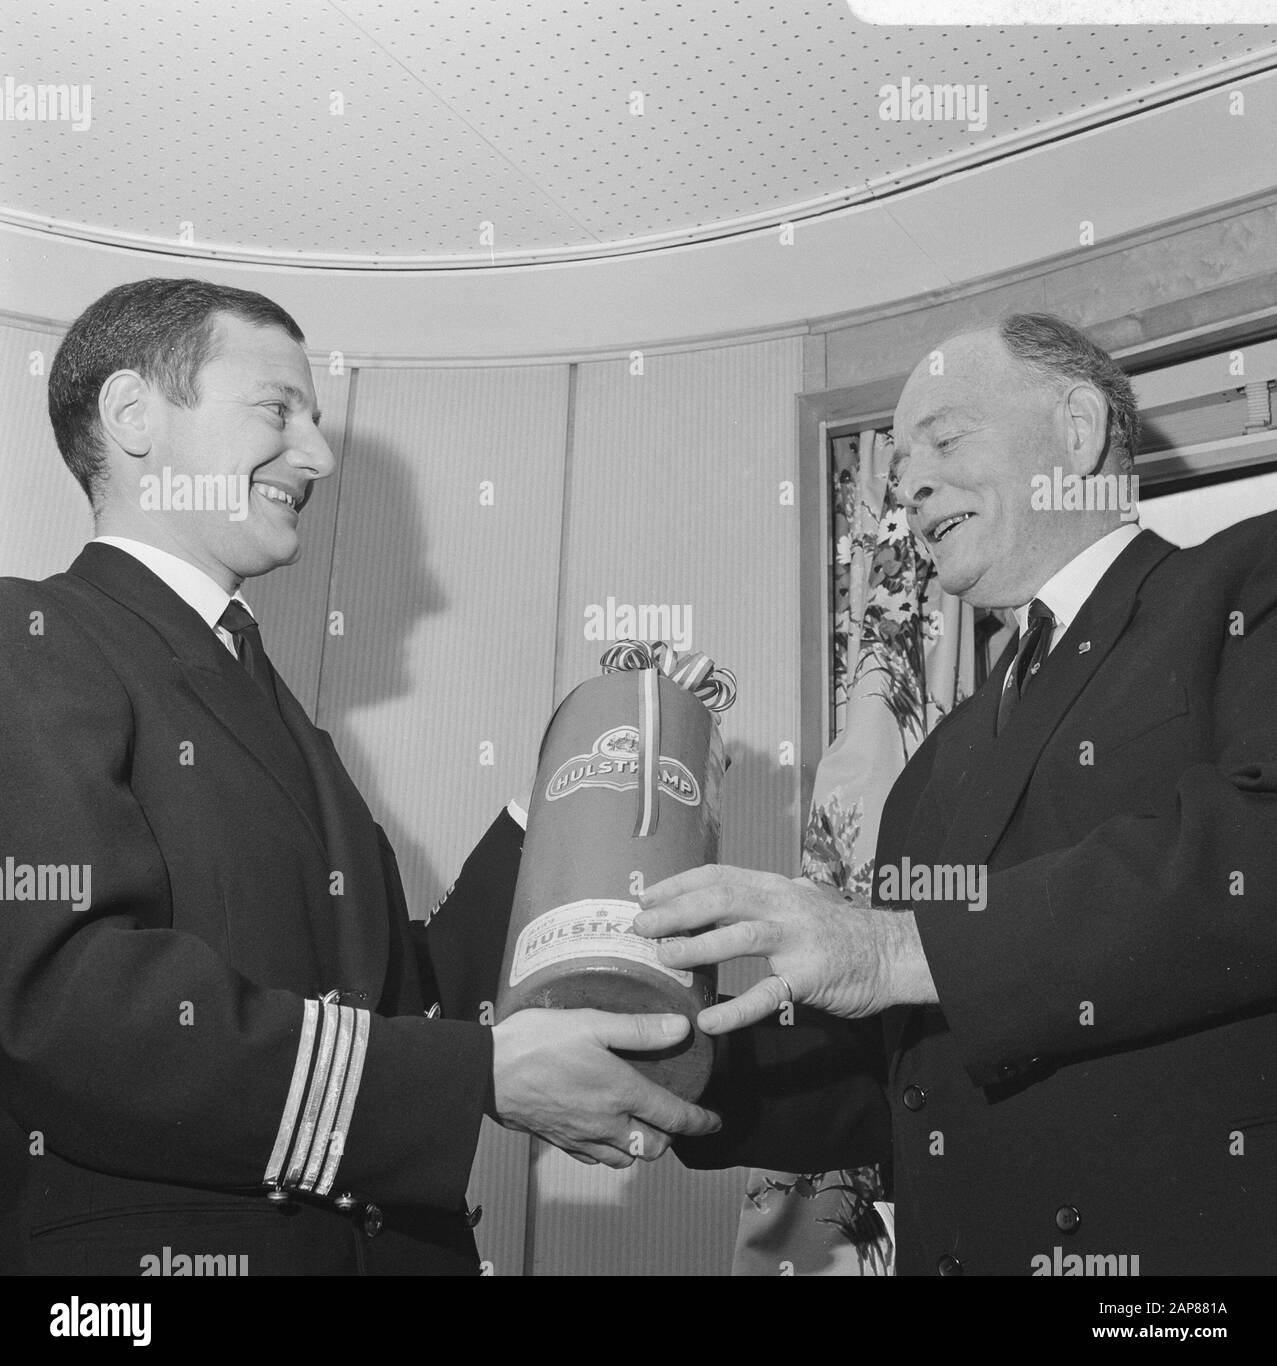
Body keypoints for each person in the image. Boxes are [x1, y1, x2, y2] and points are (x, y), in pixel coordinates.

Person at [0, 277, 718, 1276]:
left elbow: (403, 1008)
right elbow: (66, 1004)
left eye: (318, 420)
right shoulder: (28, 637)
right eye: (277, 409)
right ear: (131, 416)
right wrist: (470, 1074)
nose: (317, 454)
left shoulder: (279, 714)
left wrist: (567, 787)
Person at [636, 314, 1277, 1275]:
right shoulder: (933, 765)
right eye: (899, 464)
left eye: (944, 438)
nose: (910, 484)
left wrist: (894, 946)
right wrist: (671, 1075)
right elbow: (900, 1072)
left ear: (1077, 427)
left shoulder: (1245, 580)